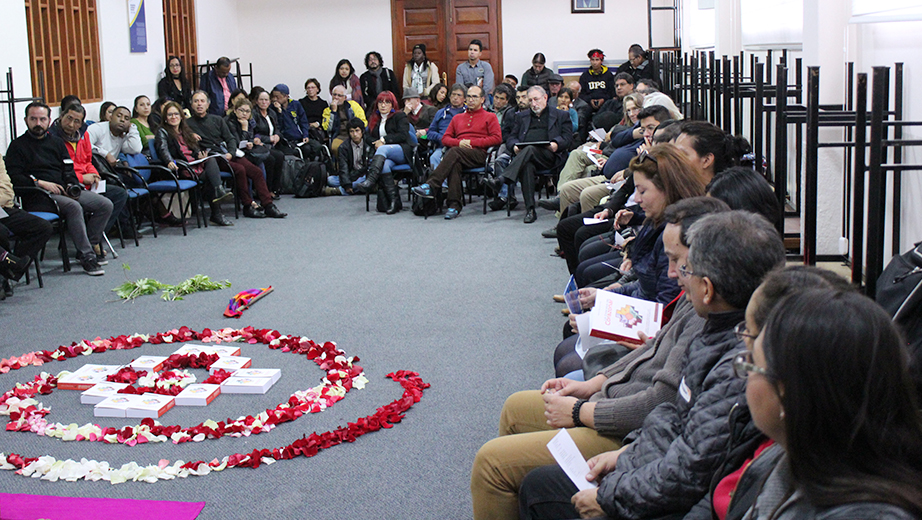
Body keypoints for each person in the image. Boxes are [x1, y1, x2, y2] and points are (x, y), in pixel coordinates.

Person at [470, 197, 728, 520]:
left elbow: (662, 406)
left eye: (679, 262)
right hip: (620, 413)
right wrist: (590, 386)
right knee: (514, 409)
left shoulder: (709, 320)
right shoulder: (698, 301)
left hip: (623, 425)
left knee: (491, 464)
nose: (673, 272)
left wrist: (582, 411)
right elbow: (653, 351)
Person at [517, 210, 787, 520]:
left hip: (651, 477)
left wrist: (611, 493)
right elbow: (674, 418)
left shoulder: (731, 354)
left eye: (685, 268)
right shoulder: (714, 327)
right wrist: (629, 453)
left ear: (708, 288)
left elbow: (692, 472)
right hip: (645, 453)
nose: (676, 275)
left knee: (516, 477)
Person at [730, 288, 922, 519]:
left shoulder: (865, 514)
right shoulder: (797, 459)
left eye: (752, 363)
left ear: (787, 392)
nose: (744, 375)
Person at [5, 102, 112, 276]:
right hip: (38, 195)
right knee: (73, 207)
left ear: (49, 120)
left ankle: (87, 245)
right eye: (33, 119)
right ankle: (88, 257)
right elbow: (15, 177)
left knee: (104, 204)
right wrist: (39, 182)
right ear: (26, 120)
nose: (38, 123)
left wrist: (71, 185)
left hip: (63, 191)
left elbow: (68, 169)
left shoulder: (56, 142)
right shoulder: (17, 146)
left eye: (42, 119)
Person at [186, 91, 286, 220]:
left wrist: (231, 153)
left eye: (202, 101)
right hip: (211, 157)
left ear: (208, 104)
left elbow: (230, 139)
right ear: (191, 104)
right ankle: (248, 205)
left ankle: (268, 205)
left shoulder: (217, 120)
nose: (199, 104)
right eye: (196, 101)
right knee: (240, 170)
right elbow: (185, 143)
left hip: (227, 153)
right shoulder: (187, 124)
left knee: (256, 171)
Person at [411, 85, 502, 219]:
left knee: (454, 153)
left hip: (479, 154)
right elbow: (446, 138)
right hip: (459, 153)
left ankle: (431, 185)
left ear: (482, 99)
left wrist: (471, 143)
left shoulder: (490, 116)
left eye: (474, 97)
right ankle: (454, 206)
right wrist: (459, 143)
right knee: (454, 162)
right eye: (469, 96)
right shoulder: (458, 118)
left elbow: (497, 138)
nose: (471, 100)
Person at [487, 86, 572, 224]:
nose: (533, 103)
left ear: (545, 98)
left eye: (536, 99)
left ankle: (503, 179)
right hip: (526, 157)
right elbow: (511, 137)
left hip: (550, 156)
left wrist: (556, 144)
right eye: (530, 100)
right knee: (527, 164)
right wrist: (514, 146)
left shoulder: (560, 115)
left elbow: (568, 138)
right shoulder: (521, 117)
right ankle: (530, 210)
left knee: (530, 149)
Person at [54, 104, 131, 242]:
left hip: (88, 182)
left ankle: (95, 236)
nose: (71, 124)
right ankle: (91, 241)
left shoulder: (83, 135)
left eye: (76, 121)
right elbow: (57, 170)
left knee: (119, 193)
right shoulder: (54, 139)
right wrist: (82, 178)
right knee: (103, 204)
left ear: (81, 123)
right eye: (68, 118)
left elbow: (88, 160)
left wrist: (94, 174)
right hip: (70, 185)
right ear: (61, 117)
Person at [155, 100, 234, 226]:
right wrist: (169, 161)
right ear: (165, 118)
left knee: (211, 160)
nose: (174, 117)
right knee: (210, 177)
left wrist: (199, 154)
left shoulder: (185, 130)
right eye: (170, 115)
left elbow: (194, 147)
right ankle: (217, 208)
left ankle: (217, 203)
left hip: (194, 164)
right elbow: (163, 149)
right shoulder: (163, 131)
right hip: (181, 167)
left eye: (176, 114)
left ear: (181, 116)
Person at [354, 91, 413, 214]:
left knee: (382, 149)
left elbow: (402, 135)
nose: (383, 105)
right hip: (384, 155)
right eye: (380, 102)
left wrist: (383, 140)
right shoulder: (374, 119)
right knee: (384, 165)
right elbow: (367, 137)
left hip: (401, 151)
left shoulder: (400, 116)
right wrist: (376, 143)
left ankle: (370, 180)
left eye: (387, 102)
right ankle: (393, 201)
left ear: (392, 104)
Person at [0, 157, 53, 291]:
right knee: (1, 231)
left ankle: (11, 271)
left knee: (42, 227)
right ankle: (8, 270)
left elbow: (7, 191)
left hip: (3, 207)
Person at [225, 98, 285, 207]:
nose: (244, 114)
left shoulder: (250, 122)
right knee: (249, 168)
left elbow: (250, 137)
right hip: (235, 154)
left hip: (247, 152)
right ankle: (251, 201)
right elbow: (236, 143)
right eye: (241, 110)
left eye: (247, 111)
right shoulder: (229, 122)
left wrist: (252, 142)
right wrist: (244, 128)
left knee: (261, 165)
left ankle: (266, 201)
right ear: (235, 110)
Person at [269, 84, 322, 159]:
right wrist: (279, 112)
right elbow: (279, 126)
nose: (275, 99)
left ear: (286, 96)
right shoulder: (272, 109)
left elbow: (303, 121)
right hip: (287, 139)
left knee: (317, 146)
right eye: (273, 96)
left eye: (277, 97)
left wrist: (305, 135)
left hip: (300, 136)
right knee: (306, 149)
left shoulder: (295, 104)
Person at [251, 89, 286, 197]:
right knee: (271, 159)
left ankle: (275, 188)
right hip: (259, 146)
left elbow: (278, 129)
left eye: (266, 100)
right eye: (261, 100)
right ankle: (267, 189)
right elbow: (254, 133)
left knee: (280, 156)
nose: (264, 102)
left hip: (272, 145)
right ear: (257, 101)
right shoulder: (254, 114)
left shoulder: (271, 113)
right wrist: (269, 139)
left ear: (269, 101)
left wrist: (277, 136)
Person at [426, 83, 467, 168]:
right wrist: (441, 138)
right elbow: (430, 132)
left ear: (464, 98)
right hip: (443, 147)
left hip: (461, 148)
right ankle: (439, 182)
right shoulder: (441, 112)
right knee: (434, 158)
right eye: (453, 94)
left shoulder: (469, 112)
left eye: (459, 95)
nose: (455, 97)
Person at [330, 118, 374, 195]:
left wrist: (350, 181)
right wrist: (347, 184)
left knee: (366, 180)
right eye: (351, 131)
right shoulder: (344, 147)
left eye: (357, 131)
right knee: (330, 180)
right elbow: (343, 167)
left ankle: (338, 191)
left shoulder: (369, 144)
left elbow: (369, 166)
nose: (355, 134)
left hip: (363, 174)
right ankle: (356, 188)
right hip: (351, 174)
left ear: (362, 131)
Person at [322, 85, 368, 156]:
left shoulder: (353, 105)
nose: (336, 97)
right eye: (334, 95)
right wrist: (333, 112)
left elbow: (363, 122)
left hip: (354, 133)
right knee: (335, 147)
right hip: (340, 135)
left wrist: (355, 130)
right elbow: (328, 128)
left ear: (345, 97)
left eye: (339, 95)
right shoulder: (327, 111)